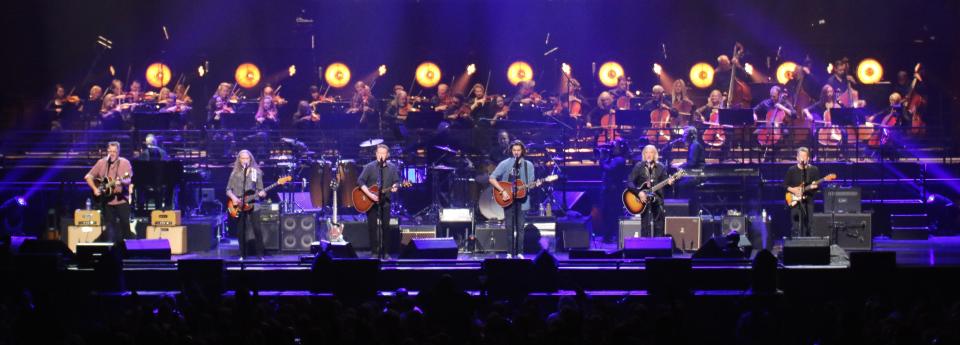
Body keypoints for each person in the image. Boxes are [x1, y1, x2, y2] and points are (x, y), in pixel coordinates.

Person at [488, 140, 537, 257]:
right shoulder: (505, 163)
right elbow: (492, 178)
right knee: (509, 227)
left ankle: (520, 252)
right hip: (508, 200)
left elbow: (531, 183)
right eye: (514, 150)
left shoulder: (528, 165)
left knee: (520, 227)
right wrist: (502, 190)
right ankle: (509, 252)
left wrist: (535, 184)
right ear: (511, 151)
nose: (516, 152)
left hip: (522, 200)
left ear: (522, 151)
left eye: (518, 150)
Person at [358, 144, 401, 259]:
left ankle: (386, 252)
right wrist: (370, 195)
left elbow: (396, 181)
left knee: (385, 227)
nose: (381, 155)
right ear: (376, 154)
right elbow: (360, 181)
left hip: (385, 202)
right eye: (379, 153)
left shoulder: (392, 167)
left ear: (387, 155)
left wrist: (395, 187)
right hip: (370, 202)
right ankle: (374, 252)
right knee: (372, 227)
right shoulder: (369, 166)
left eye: (383, 153)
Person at [84, 141, 133, 243]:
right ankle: (110, 249)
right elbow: (88, 177)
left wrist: (122, 181)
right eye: (110, 151)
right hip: (106, 200)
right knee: (109, 226)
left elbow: (128, 179)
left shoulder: (125, 163)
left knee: (125, 224)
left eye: (114, 151)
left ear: (119, 151)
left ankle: (128, 248)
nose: (112, 153)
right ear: (107, 151)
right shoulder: (101, 162)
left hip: (121, 200)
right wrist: (95, 189)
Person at [225, 150, 267, 259]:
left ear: (250, 159)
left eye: (246, 158)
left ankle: (260, 254)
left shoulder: (256, 172)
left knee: (257, 229)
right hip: (238, 204)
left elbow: (260, 189)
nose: (245, 160)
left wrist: (262, 193)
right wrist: (234, 198)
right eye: (242, 158)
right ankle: (243, 254)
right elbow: (228, 189)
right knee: (240, 230)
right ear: (239, 160)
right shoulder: (235, 173)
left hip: (254, 203)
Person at [626, 145, 673, 237]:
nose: (648, 154)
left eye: (651, 152)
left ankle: (658, 247)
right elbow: (630, 182)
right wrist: (639, 193)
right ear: (643, 154)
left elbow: (666, 186)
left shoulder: (661, 167)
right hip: (643, 201)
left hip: (658, 200)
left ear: (655, 154)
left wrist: (670, 183)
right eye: (646, 152)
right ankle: (645, 247)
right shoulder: (639, 167)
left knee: (659, 225)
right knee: (645, 225)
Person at [598, 139, 630, 242]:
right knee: (608, 213)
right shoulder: (615, 158)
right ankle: (609, 236)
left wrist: (601, 160)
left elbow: (609, 169)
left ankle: (611, 237)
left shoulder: (619, 159)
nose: (613, 148)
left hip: (613, 192)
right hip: (611, 191)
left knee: (611, 213)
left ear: (620, 148)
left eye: (615, 146)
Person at [784, 147, 820, 237]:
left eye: (804, 156)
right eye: (800, 156)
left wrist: (814, 186)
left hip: (808, 201)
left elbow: (817, 187)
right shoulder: (791, 170)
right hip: (795, 201)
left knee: (809, 225)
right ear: (797, 158)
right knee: (796, 226)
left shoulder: (814, 170)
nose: (802, 158)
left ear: (808, 158)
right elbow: (784, 185)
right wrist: (794, 190)